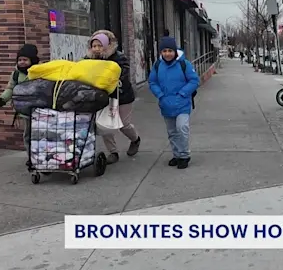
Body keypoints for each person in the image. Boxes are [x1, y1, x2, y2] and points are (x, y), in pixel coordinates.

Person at [86, 30, 140, 164]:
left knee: (124, 125)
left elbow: (123, 74)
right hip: (102, 97)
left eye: (100, 45)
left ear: (107, 45)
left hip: (122, 96)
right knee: (105, 126)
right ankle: (113, 152)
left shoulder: (119, 58)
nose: (97, 49)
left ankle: (135, 139)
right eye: (94, 46)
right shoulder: (88, 59)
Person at [148, 36, 200, 169]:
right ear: (161, 52)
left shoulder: (184, 64)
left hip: (182, 104)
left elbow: (194, 80)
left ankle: (184, 155)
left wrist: (183, 93)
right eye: (164, 51)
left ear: (175, 51)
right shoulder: (157, 65)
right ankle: (176, 155)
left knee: (182, 128)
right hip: (166, 104)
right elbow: (152, 82)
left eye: (170, 50)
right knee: (172, 132)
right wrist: (160, 95)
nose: (167, 54)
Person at [0, 44, 39, 165]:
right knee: (28, 135)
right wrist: (3, 99)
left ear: (32, 60)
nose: (22, 62)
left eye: (25, 60)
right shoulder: (16, 74)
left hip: (40, 108)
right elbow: (10, 88)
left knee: (41, 134)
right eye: (20, 60)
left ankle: (43, 155)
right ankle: (31, 157)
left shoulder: (39, 71)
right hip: (25, 110)